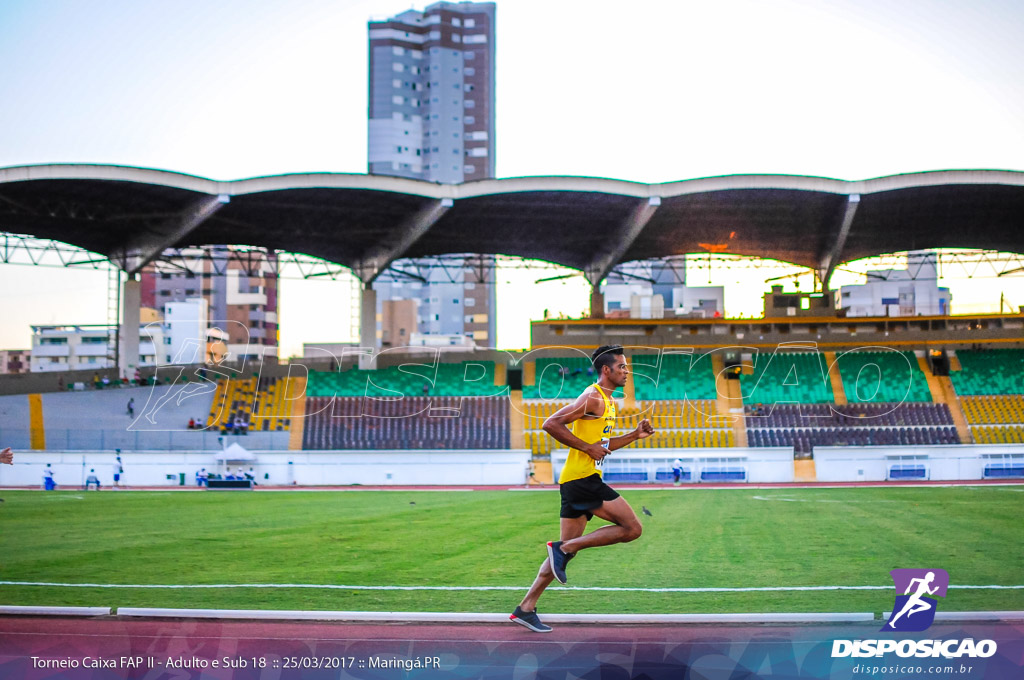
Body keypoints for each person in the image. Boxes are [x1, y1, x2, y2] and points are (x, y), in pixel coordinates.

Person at [510, 345, 655, 633]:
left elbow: (602, 447)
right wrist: (586, 447)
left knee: (563, 557)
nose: (627, 371)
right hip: (583, 479)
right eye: (622, 367)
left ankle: (525, 608)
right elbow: (551, 423)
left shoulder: (608, 402)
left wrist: (635, 435)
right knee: (632, 528)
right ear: (607, 370)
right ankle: (564, 547)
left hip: (577, 481)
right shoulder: (592, 397)